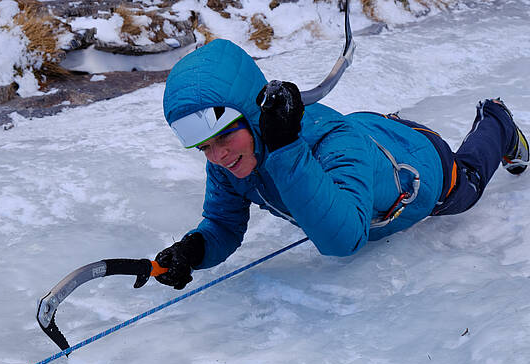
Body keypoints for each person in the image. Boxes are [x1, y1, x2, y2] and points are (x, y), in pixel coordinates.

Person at [153, 39, 529, 290]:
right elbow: (222, 223)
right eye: (203, 147)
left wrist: (285, 149)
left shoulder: (323, 145)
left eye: (222, 137)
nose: (216, 156)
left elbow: (344, 239)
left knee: (468, 185)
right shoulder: (230, 159)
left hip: (418, 164)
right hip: (369, 133)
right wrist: (192, 251)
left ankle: (499, 122)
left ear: (253, 117)